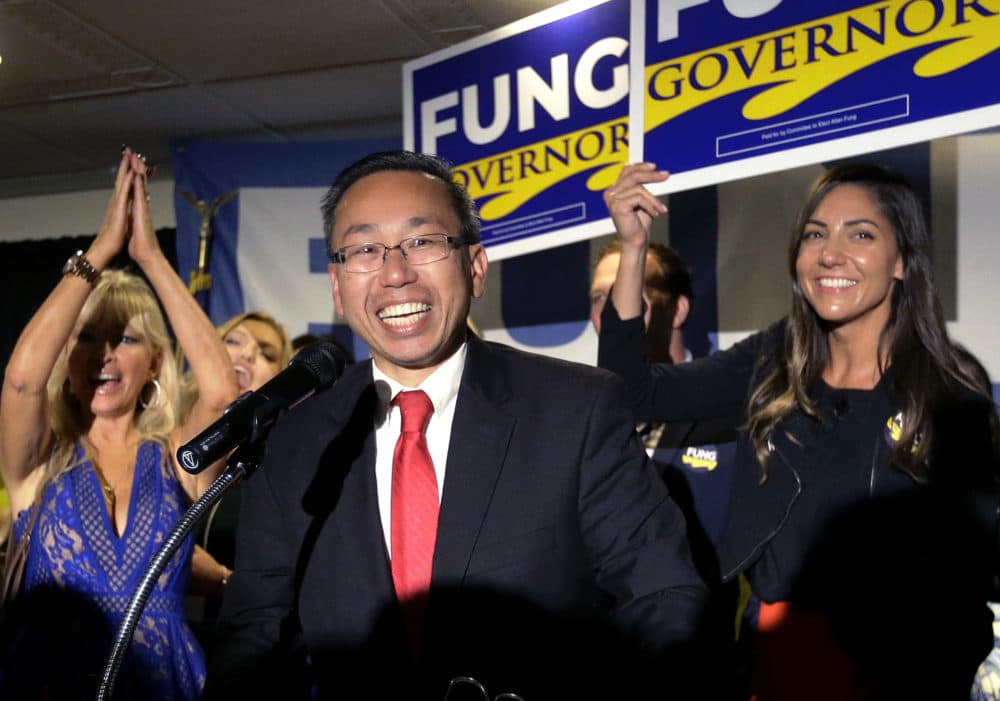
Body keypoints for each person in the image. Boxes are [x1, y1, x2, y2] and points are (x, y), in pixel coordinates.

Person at [205, 150, 710, 700]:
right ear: (336, 286)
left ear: (474, 268)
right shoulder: (297, 442)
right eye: (366, 250)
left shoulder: (576, 411)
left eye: (422, 242)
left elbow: (662, 600)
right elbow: (252, 640)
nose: (395, 273)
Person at [598, 162, 1000, 700]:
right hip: (779, 667)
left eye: (861, 233)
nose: (830, 253)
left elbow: (970, 583)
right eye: (815, 234)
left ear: (901, 261)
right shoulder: (771, 360)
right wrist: (632, 248)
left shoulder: (949, 392)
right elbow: (628, 393)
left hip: (903, 671)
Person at [0, 148, 239, 700]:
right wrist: (100, 253)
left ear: (154, 360)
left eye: (125, 339)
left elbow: (223, 392)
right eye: (86, 337)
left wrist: (150, 257)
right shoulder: (41, 460)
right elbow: (19, 381)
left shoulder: (178, 461)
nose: (103, 354)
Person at [185, 312, 293, 609]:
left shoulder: (285, 469)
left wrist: (222, 581)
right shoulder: (157, 438)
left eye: (267, 354)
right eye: (233, 341)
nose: (247, 353)